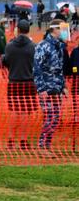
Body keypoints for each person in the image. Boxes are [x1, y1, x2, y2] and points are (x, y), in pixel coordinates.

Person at [33, 20, 69, 157]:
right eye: (62, 28)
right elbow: (37, 68)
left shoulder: (59, 47)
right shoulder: (43, 46)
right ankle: (42, 146)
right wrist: (41, 89)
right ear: (54, 30)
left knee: (55, 118)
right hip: (46, 89)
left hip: (56, 89)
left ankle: (47, 146)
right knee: (49, 117)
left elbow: (59, 70)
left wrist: (63, 86)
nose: (65, 31)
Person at [3, 20, 37, 150]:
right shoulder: (33, 46)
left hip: (14, 81)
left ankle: (11, 140)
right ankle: (23, 140)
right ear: (28, 30)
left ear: (18, 30)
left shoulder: (10, 46)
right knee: (25, 112)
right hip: (28, 82)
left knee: (14, 111)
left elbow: (6, 62)